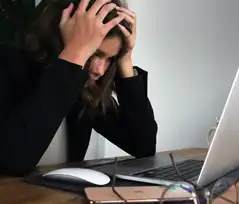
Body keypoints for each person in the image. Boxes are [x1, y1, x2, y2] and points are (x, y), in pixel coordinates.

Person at [0, 0, 157, 176]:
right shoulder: (8, 67)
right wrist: (74, 54)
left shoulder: (84, 90)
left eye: (110, 59)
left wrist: (125, 58)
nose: (99, 70)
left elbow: (143, 146)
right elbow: (12, 161)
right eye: (94, 53)